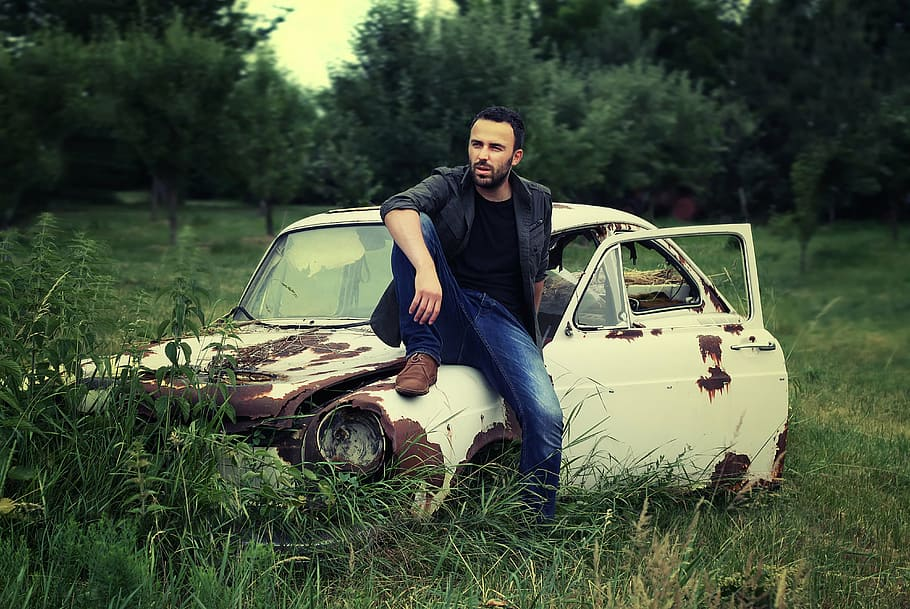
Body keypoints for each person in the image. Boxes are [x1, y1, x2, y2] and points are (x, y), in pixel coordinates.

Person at [370, 106, 563, 521]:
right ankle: (422, 353)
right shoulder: (448, 184)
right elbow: (396, 209)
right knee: (414, 224)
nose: (483, 155)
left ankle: (535, 527)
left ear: (516, 157)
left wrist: (530, 348)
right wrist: (426, 269)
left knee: (546, 416)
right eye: (477, 144)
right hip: (448, 308)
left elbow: (537, 277)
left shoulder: (538, 201)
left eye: (496, 147)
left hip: (501, 323)